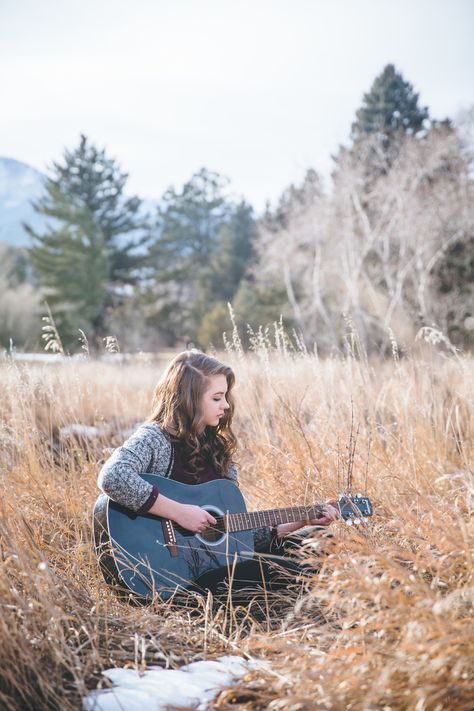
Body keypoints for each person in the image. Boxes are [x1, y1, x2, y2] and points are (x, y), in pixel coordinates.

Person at [98, 350, 339, 611]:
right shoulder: (155, 438)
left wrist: (302, 520)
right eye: (216, 397)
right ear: (188, 399)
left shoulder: (218, 452)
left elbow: (236, 539)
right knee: (284, 571)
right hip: (179, 581)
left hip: (219, 570)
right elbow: (113, 476)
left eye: (225, 396)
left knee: (317, 538)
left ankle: (286, 603)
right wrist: (180, 513)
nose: (225, 405)